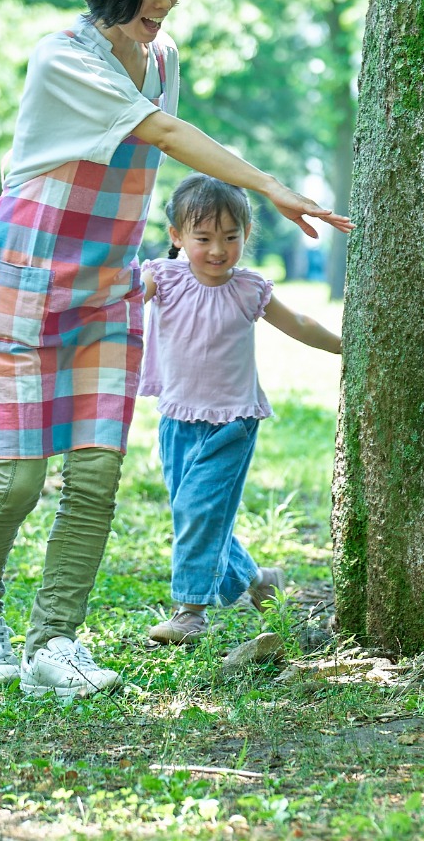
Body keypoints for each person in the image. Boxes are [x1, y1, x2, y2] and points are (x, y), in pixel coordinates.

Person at [0, 0, 352, 702]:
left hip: (106, 288)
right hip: (23, 280)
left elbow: (166, 128)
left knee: (95, 477)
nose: (164, 0)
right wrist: (268, 184)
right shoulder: (62, 56)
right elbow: (163, 135)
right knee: (19, 481)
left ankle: (52, 643)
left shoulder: (160, 55)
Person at [141, 175, 345, 645]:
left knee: (197, 510)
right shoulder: (164, 276)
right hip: (177, 419)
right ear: (177, 236)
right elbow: (124, 297)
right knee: (196, 514)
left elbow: (298, 323)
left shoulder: (249, 288)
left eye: (231, 237)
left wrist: (345, 347)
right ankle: (259, 580)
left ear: (246, 236)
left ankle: (189, 612)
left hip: (233, 421)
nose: (218, 250)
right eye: (203, 238)